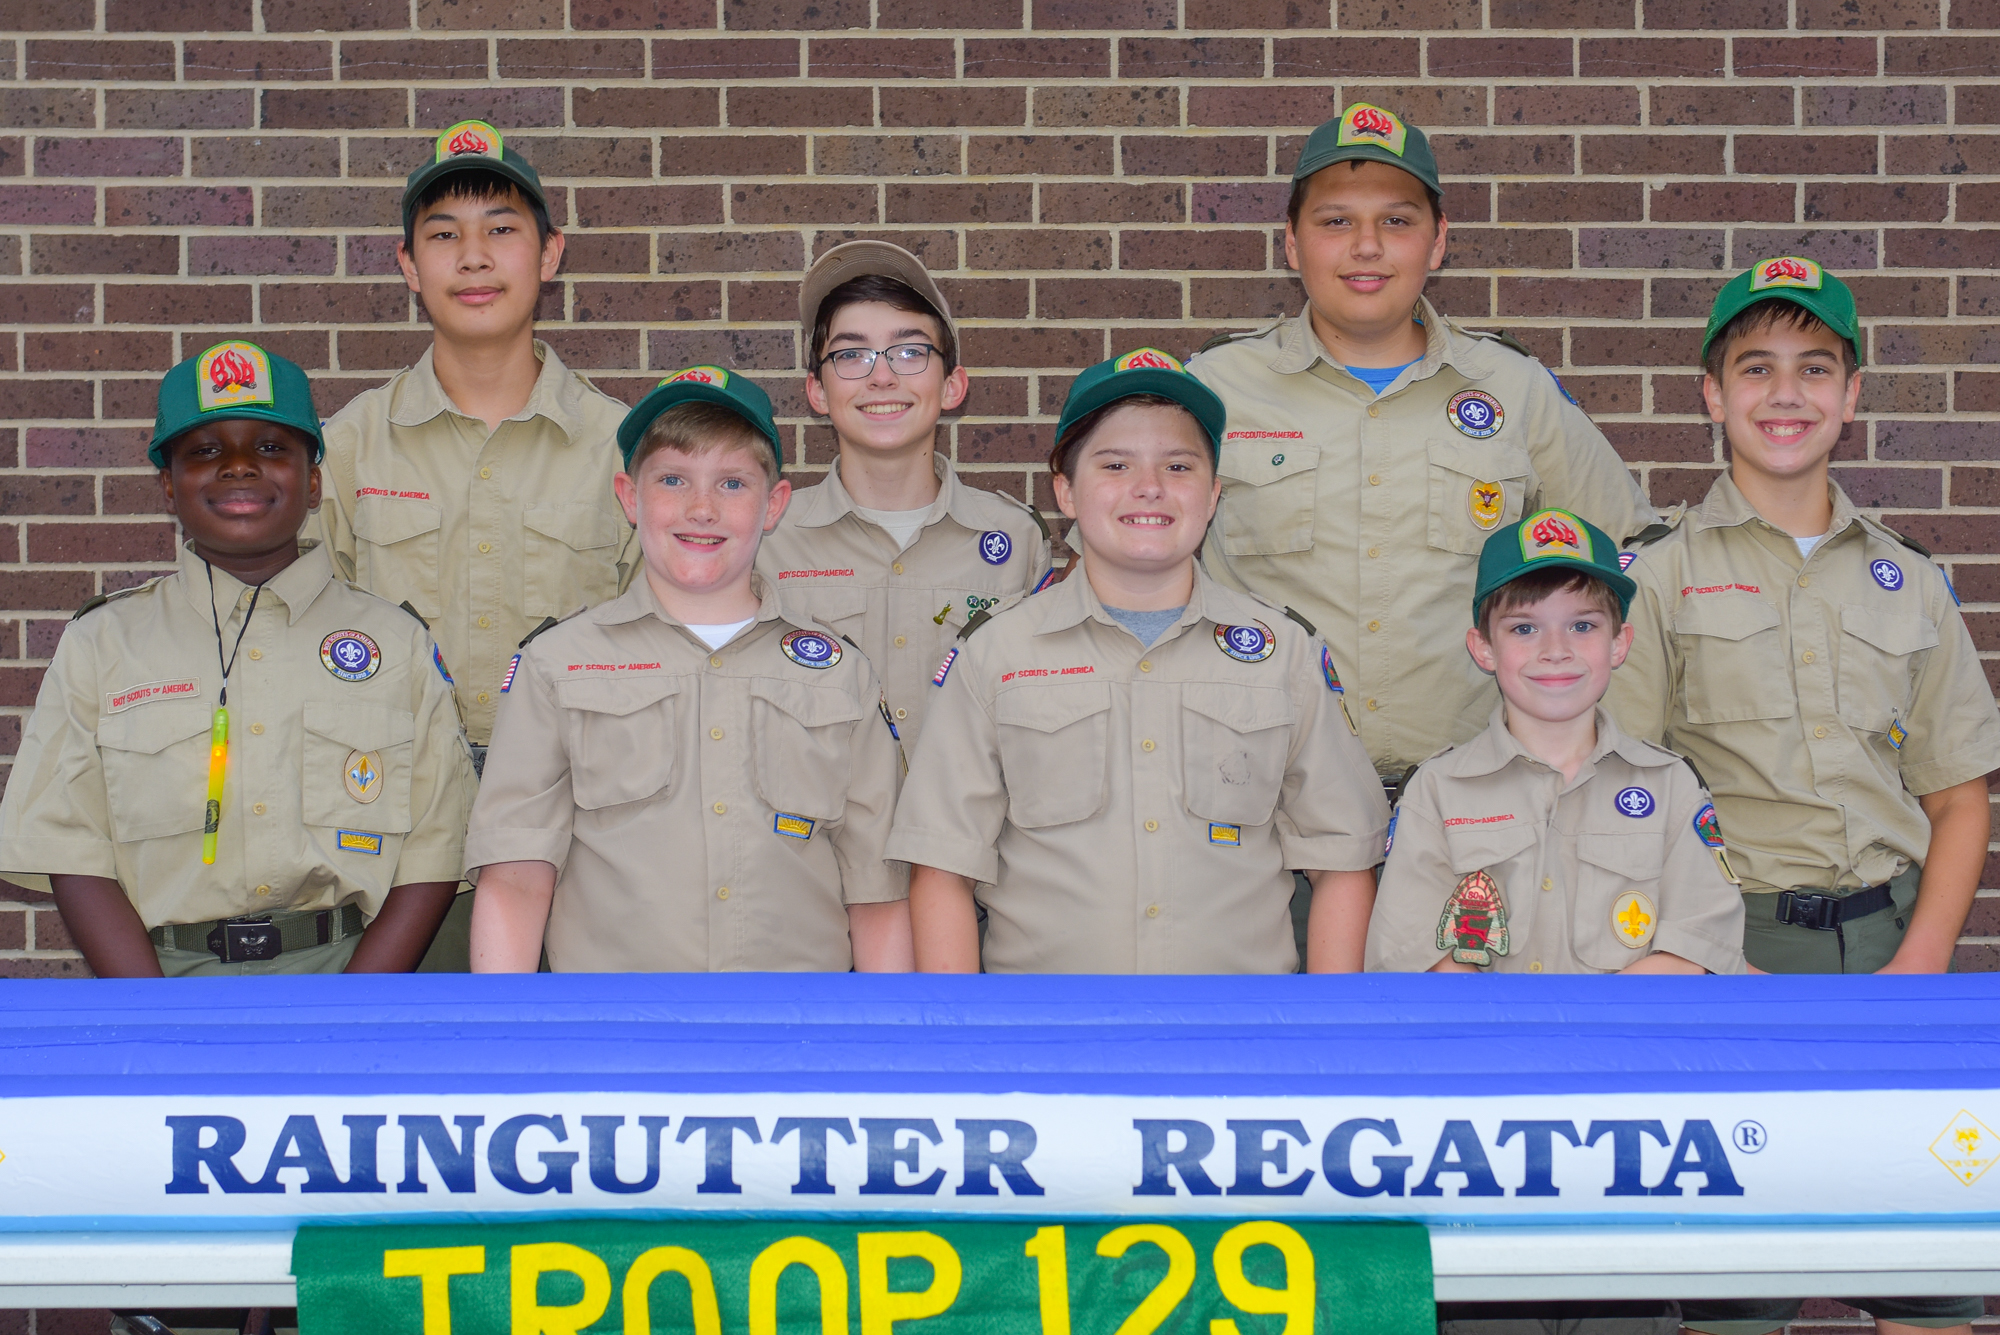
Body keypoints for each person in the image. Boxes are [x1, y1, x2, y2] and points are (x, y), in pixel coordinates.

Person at [1606, 259, 2000, 1335]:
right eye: (1756, 368)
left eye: (1814, 369)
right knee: (1736, 1296)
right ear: (1711, 394)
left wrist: (1918, 970)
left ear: (1852, 394)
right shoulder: (1655, 576)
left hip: (1889, 947)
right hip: (1736, 955)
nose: (1785, 394)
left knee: (1930, 1286)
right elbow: (1622, 798)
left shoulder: (1908, 580)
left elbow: (1960, 796)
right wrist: (1700, 967)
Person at [1189, 102, 1654, 792]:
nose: (1366, 246)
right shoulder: (1214, 389)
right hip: (1264, 796)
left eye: (1397, 221)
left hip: (1477, 801)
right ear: (1291, 243)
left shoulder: (1514, 388)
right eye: (1335, 221)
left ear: (1437, 243)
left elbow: (1629, 558)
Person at [890, 350, 1389, 974]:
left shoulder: (1284, 654)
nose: (1149, 486)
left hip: (1237, 1022)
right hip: (1047, 1024)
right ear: (1066, 491)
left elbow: (1342, 859)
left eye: (1178, 466)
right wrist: (967, 1027)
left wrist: (1327, 1021)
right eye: (1116, 464)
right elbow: (942, 865)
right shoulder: (995, 654)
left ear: (1213, 494)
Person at [0, 341, 476, 977]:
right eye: (205, 452)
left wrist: (355, 1007)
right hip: (159, 977)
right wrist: (153, 1014)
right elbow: (69, 844)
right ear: (168, 487)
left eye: (271, 448)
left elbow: (436, 846)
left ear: (313, 482)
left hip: (350, 972)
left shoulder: (395, 644)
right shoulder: (104, 643)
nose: (239, 467)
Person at [313, 119, 636, 969]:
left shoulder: (625, 450)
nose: (475, 257)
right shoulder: (349, 449)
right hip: (396, 859)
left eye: (501, 229)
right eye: (444, 235)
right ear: (408, 265)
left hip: (586, 853)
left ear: (550, 254)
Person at [464, 367, 910, 973]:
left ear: (774, 505)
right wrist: (505, 1027)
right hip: (616, 1024)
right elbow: (516, 878)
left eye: (732, 483)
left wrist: (886, 1030)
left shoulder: (839, 675)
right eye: (673, 479)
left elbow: (877, 893)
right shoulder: (557, 666)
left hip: (795, 1023)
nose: (702, 508)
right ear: (629, 497)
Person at [1366, 507, 1745, 981]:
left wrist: (1580, 1025)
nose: (1556, 650)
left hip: (1629, 1030)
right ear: (1484, 648)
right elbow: (1414, 959)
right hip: (1482, 1030)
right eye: (1524, 628)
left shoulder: (1671, 787)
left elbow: (1696, 951)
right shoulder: (1437, 792)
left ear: (1619, 643)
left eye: (1582, 626)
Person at [757, 240, 1052, 745]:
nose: (882, 377)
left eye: (910, 352)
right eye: (851, 354)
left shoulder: (1017, 540)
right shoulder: (766, 541)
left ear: (952, 385)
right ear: (817, 391)